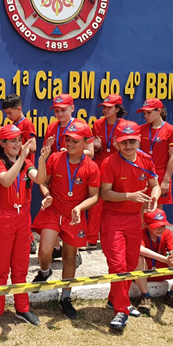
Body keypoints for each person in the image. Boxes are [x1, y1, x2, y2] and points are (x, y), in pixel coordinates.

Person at [32, 121, 100, 319]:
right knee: (45, 250)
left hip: (74, 216)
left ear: (87, 142)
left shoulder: (92, 167)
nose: (69, 143)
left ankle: (66, 297)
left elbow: (94, 196)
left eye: (75, 140)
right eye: (67, 139)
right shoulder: (55, 158)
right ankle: (45, 272)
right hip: (52, 210)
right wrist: (46, 195)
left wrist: (79, 208)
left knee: (70, 257)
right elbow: (44, 183)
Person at [99, 119, 160, 330]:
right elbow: (105, 193)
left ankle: (113, 299)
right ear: (116, 142)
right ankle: (121, 310)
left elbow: (155, 184)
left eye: (132, 141)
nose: (128, 146)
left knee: (130, 262)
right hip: (113, 219)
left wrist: (154, 197)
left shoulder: (146, 159)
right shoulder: (109, 163)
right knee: (117, 265)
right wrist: (129, 196)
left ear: (139, 140)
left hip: (135, 220)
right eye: (124, 142)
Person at [0, 124, 42, 329]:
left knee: (21, 266)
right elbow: (6, 181)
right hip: (3, 216)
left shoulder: (26, 161)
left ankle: (22, 308)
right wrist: (21, 159)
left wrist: (42, 160)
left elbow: (40, 178)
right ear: (2, 143)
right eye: (13, 140)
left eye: (20, 139)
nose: (18, 144)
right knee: (0, 267)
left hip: (23, 217)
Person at [134, 208, 173, 315]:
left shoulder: (167, 233)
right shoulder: (140, 233)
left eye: (163, 225)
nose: (160, 229)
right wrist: (164, 259)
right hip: (145, 272)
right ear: (146, 224)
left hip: (163, 268)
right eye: (156, 226)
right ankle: (145, 296)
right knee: (138, 258)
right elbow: (139, 249)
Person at [87, 94, 127, 248]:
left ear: (117, 109)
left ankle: (115, 236)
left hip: (119, 168)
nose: (105, 110)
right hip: (99, 168)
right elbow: (92, 147)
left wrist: (119, 147)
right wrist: (95, 146)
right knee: (95, 203)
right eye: (104, 107)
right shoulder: (97, 124)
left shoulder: (125, 125)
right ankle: (91, 239)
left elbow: (131, 148)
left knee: (118, 204)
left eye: (109, 107)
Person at [2, 94, 37, 254]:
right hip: (14, 169)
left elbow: (34, 145)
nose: (7, 116)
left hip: (25, 170)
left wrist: (20, 147)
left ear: (19, 109)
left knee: (25, 204)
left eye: (9, 113)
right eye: (6, 114)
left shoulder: (27, 123)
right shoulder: (14, 124)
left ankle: (29, 240)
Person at [137, 98, 173, 205]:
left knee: (156, 206)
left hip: (160, 173)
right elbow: (136, 152)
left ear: (159, 111)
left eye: (149, 112)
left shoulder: (171, 130)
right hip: (143, 173)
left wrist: (166, 180)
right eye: (144, 113)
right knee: (141, 205)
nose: (145, 116)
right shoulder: (141, 129)